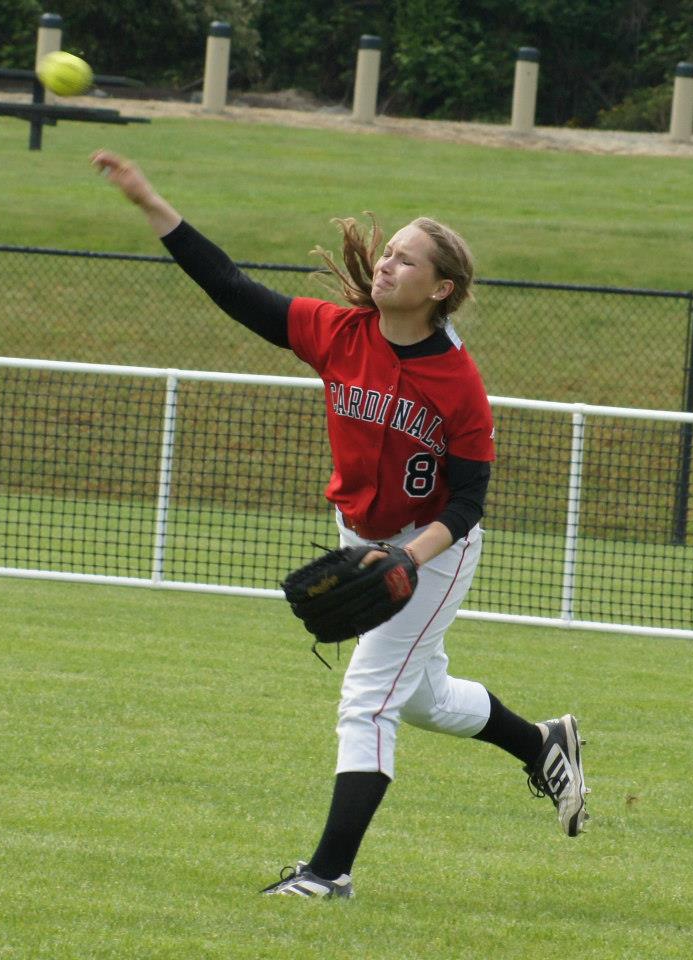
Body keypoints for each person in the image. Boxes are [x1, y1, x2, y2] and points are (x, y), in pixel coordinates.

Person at [91, 149, 589, 899]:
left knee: (369, 701)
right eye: (390, 252)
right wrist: (149, 201)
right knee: (420, 697)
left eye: (407, 260)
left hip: (432, 550)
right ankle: (541, 742)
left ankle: (328, 875)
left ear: (440, 289)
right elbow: (232, 288)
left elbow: (468, 502)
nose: (387, 264)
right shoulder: (340, 333)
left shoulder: (459, 383)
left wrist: (410, 559)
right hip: (363, 538)